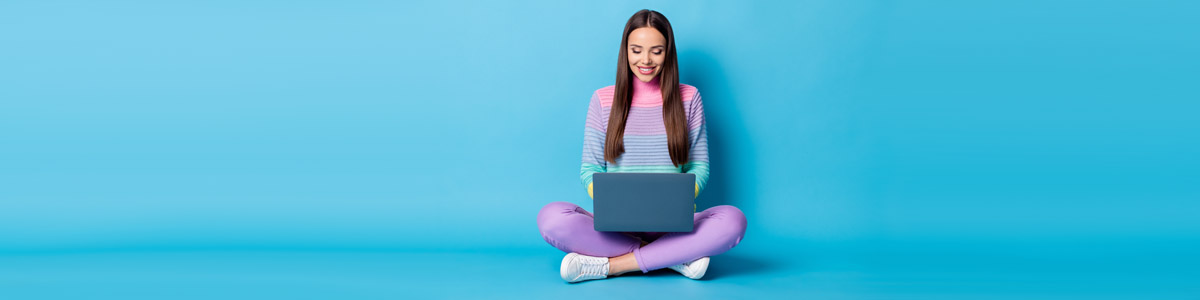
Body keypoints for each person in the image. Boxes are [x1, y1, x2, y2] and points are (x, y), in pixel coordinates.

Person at [536, 9, 747, 283]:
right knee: (552, 218)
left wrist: (678, 200)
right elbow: (589, 168)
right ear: (625, 52)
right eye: (636, 50)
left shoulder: (689, 98)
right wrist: (612, 202)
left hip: (674, 227)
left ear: (668, 53)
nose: (645, 60)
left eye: (656, 51)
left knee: (733, 221)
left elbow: (699, 166)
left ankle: (614, 265)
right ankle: (674, 258)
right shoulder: (602, 100)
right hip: (616, 229)